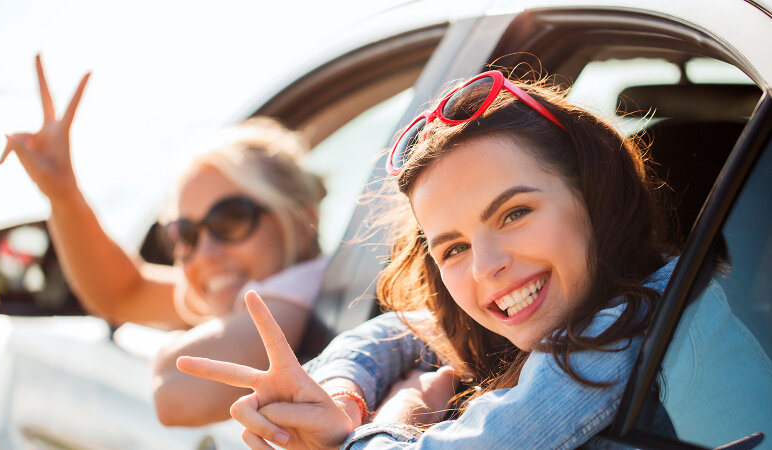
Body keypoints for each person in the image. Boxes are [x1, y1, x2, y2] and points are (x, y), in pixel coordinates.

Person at [176, 69, 677, 448]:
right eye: (454, 247)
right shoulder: (559, 305)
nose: (485, 266)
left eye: (514, 213)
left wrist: (389, 423)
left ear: (595, 194)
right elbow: (403, 331)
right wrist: (344, 394)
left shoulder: (628, 323)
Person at [0, 55, 328, 427]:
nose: (204, 254)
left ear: (303, 220)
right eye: (184, 235)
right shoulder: (273, 283)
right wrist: (62, 194)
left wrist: (169, 355)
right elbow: (122, 294)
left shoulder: (300, 290)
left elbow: (178, 393)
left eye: (232, 219)